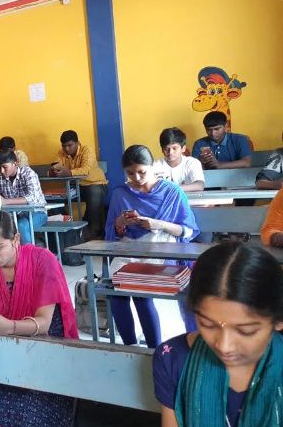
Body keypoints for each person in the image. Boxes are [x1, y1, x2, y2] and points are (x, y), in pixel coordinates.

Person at [0, 210, 78, 426]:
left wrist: (9, 327)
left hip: (46, 347)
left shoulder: (43, 260)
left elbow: (43, 323)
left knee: (32, 414)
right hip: (7, 348)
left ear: (15, 239)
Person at [153, 243, 283, 427]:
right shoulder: (173, 359)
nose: (224, 346)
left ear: (278, 320)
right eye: (207, 324)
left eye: (245, 331)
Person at [105, 145, 199, 347]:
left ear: (152, 167)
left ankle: (153, 348)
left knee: (140, 294)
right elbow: (111, 233)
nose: (137, 178)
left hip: (162, 249)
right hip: (129, 249)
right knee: (116, 293)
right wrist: (121, 222)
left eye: (142, 172)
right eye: (130, 173)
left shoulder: (172, 192)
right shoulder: (120, 193)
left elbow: (188, 231)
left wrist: (159, 225)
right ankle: (129, 346)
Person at [50, 130, 109, 239]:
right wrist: (54, 171)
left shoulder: (87, 150)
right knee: (53, 199)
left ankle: (93, 231)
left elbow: (85, 170)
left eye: (70, 145)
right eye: (64, 146)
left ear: (77, 143)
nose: (66, 149)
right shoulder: (61, 153)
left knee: (94, 193)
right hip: (76, 186)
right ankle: (67, 227)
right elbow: (56, 165)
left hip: (96, 184)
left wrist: (69, 172)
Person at [0, 150, 47, 244]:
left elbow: (32, 197)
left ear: (15, 164)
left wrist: (6, 201)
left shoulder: (28, 173)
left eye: (5, 167)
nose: (2, 171)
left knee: (21, 226)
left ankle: (28, 253)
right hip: (15, 214)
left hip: (37, 212)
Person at [153, 128, 205, 192]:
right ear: (162, 150)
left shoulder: (192, 162)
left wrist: (172, 189)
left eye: (174, 148)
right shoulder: (155, 165)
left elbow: (199, 185)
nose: (170, 152)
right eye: (166, 149)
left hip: (188, 198)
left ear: (183, 148)